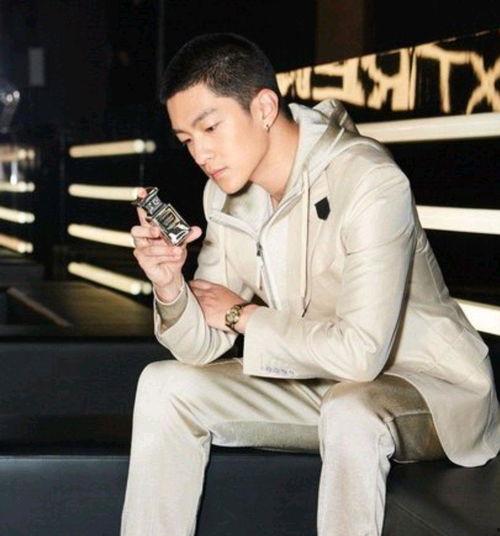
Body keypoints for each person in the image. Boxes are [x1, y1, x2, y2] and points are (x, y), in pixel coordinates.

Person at [121, 32, 500, 536]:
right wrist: (170, 285)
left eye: (210, 127)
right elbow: (200, 346)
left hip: (429, 388)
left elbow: (361, 357)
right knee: (164, 384)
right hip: (320, 380)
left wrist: (242, 315)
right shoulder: (226, 196)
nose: (201, 152)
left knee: (351, 410)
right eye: (187, 139)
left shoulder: (369, 180)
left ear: (263, 108)